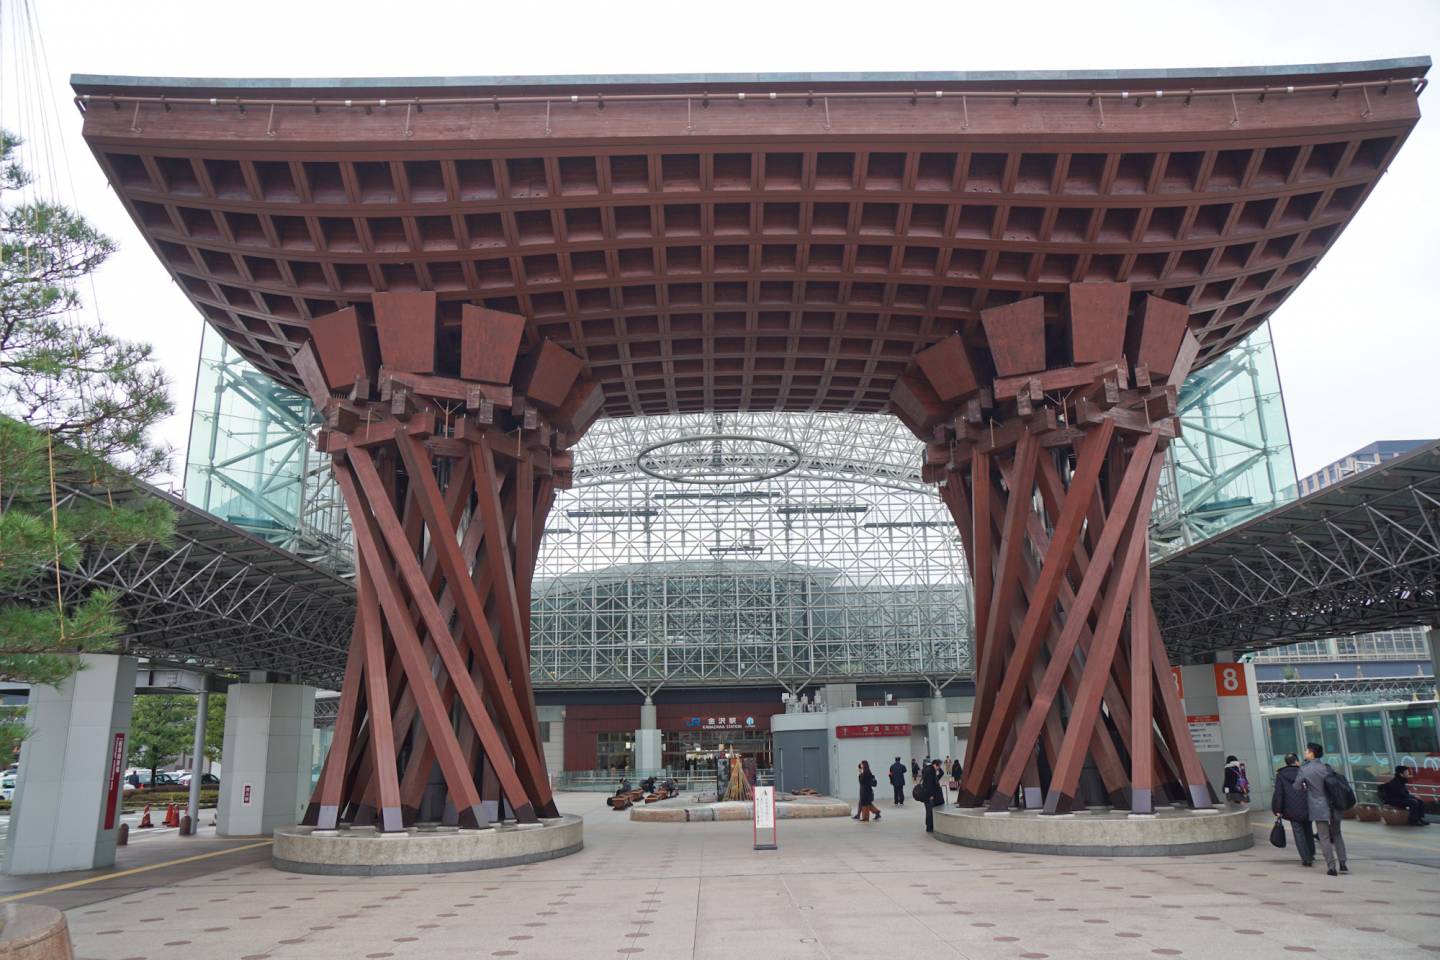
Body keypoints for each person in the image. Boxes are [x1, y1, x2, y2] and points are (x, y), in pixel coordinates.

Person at [1299, 742, 1348, 877]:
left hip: (1318, 807)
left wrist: (1306, 786)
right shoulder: (1328, 767)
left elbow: (1296, 786)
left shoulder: (1305, 769)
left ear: (1311, 753)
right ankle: (1343, 862)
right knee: (1337, 834)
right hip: (1334, 805)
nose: (1305, 752)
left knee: (1324, 836)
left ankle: (1331, 866)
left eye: (1306, 751)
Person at [1271, 753, 1315, 867]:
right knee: (1308, 831)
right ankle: (1311, 853)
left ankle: (1306, 859)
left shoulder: (1281, 775)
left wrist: (1278, 810)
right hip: (1307, 806)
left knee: (1298, 834)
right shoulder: (1304, 771)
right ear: (1296, 761)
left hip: (1291, 809)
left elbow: (1279, 794)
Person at [921, 758, 945, 832]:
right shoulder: (930, 771)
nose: (939, 768)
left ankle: (930, 826)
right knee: (930, 811)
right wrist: (931, 795)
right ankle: (929, 827)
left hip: (930, 795)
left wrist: (938, 769)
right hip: (929, 795)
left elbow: (941, 773)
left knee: (930, 811)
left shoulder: (931, 770)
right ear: (935, 764)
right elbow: (928, 785)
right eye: (938, 766)